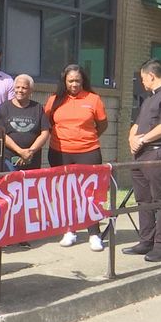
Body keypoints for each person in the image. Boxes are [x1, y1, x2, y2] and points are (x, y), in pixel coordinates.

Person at [124, 59, 161, 262]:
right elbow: (136, 124)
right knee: (143, 199)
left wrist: (142, 140)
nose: (142, 82)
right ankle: (146, 240)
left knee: (159, 201)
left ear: (151, 75)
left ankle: (160, 246)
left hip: (157, 152)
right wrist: (132, 139)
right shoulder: (149, 98)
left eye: (143, 78)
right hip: (140, 154)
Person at [44, 64, 108, 252]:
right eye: (70, 81)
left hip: (88, 152)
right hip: (60, 152)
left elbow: (102, 125)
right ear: (64, 81)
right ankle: (69, 230)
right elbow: (47, 123)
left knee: (90, 194)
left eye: (77, 81)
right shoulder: (54, 100)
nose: (74, 84)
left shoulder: (93, 99)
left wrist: (86, 138)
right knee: (65, 194)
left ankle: (94, 233)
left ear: (83, 81)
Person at [0, 74, 50, 172]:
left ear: (31, 91)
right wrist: (20, 151)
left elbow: (45, 132)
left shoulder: (37, 108)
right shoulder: (4, 107)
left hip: (32, 159)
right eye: (17, 87)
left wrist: (30, 151)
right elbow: (1, 133)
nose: (20, 90)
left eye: (24, 88)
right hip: (9, 160)